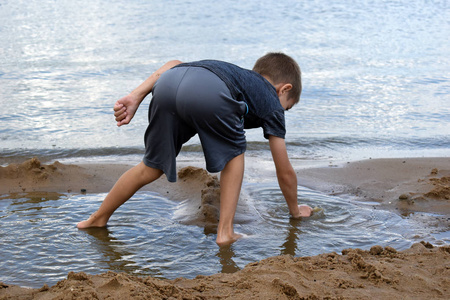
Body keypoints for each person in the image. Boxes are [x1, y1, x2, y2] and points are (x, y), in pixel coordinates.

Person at [77, 52, 313, 246]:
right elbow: (284, 171)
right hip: (208, 92)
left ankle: (97, 218)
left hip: (168, 84)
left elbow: (173, 63)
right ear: (284, 89)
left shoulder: (237, 75)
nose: (282, 112)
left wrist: (136, 95)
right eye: (287, 107)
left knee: (150, 167)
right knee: (235, 153)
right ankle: (226, 232)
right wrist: (295, 211)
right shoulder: (271, 100)